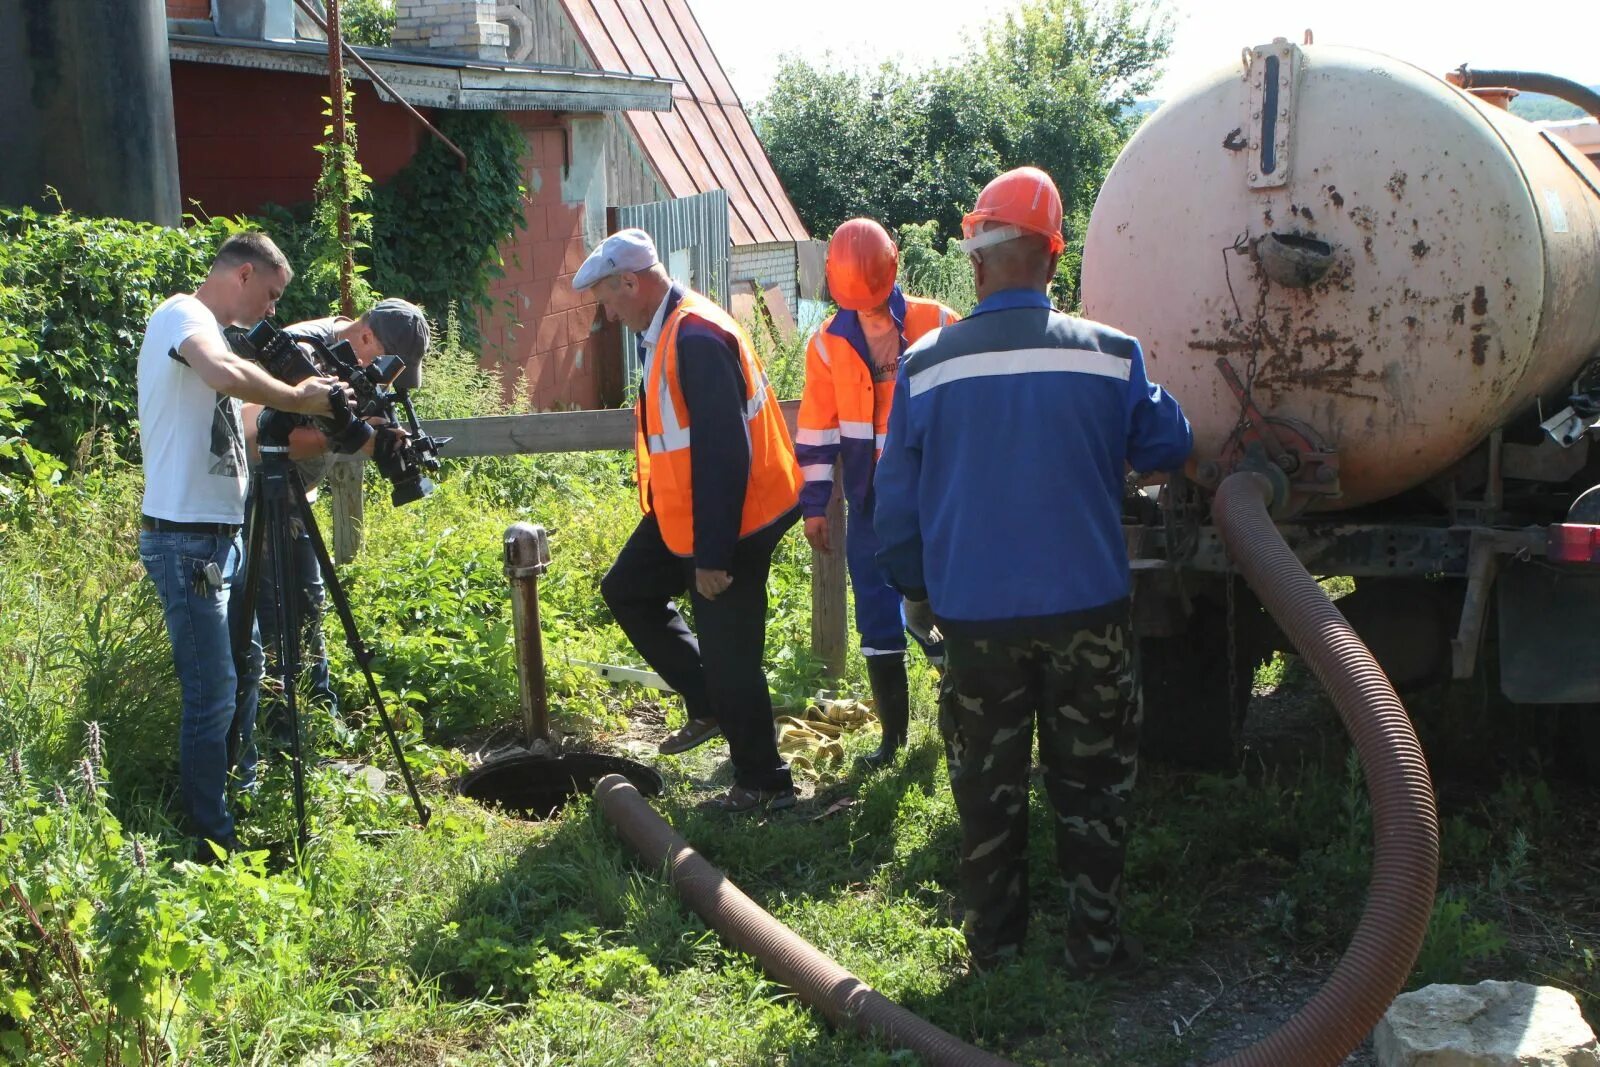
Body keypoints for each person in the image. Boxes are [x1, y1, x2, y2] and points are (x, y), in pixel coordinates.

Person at [872, 167, 1193, 973]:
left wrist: (917, 592)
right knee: (1093, 786)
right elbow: (1168, 445)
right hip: (1089, 611)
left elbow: (896, 507)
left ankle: (997, 948)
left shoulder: (924, 366)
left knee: (986, 788)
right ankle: (1094, 943)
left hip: (975, 620)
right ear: (1054, 261)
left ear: (976, 264)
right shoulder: (1112, 356)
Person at [135, 232, 352, 856]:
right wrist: (294, 395)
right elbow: (223, 372)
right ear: (244, 273)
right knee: (213, 692)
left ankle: (239, 792)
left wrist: (317, 415)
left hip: (220, 539)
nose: (273, 309)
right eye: (272, 294)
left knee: (246, 669)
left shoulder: (220, 337)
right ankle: (211, 840)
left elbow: (251, 429)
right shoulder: (185, 315)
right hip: (186, 542)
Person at [575, 228, 803, 813]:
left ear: (631, 281)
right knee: (628, 590)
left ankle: (764, 785)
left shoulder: (695, 335)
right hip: (688, 511)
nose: (606, 312)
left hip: (734, 518)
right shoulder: (672, 326)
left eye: (607, 296)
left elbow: (725, 453)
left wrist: (712, 556)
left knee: (732, 654)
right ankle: (710, 705)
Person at [795, 218, 960, 767]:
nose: (867, 313)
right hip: (868, 504)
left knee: (949, 603)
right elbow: (817, 430)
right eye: (856, 304)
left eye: (873, 302)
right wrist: (815, 504)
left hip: (937, 499)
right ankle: (893, 740)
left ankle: (961, 707)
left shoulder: (939, 322)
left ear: (894, 273)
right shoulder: (825, 346)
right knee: (876, 614)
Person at [245, 299, 431, 735]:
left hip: (297, 496)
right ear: (365, 336)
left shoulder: (357, 361)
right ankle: (281, 731)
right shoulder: (298, 350)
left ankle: (321, 724)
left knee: (310, 607)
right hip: (259, 495)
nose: (382, 377)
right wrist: (354, 441)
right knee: (274, 618)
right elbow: (254, 436)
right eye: (383, 363)